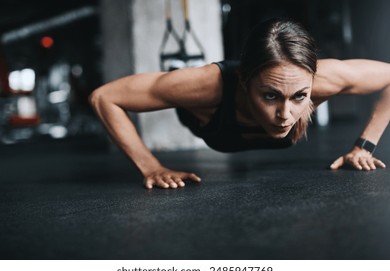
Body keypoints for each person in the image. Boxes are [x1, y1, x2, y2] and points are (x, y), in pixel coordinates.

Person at [89, 19, 389, 189]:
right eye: (270, 96)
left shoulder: (326, 78)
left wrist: (365, 145)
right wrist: (150, 167)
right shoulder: (204, 86)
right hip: (202, 116)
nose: (285, 115)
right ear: (245, 84)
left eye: (299, 96)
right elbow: (105, 97)